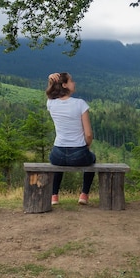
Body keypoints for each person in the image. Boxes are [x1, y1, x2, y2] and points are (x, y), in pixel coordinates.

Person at [45, 72, 96, 205]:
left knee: (58, 165)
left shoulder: (51, 104)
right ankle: (84, 195)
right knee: (92, 159)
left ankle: (54, 196)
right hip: (78, 154)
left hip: (57, 154)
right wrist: (87, 146)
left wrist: (50, 80)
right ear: (64, 85)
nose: (74, 83)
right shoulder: (80, 104)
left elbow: (49, 95)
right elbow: (89, 134)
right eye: (71, 81)